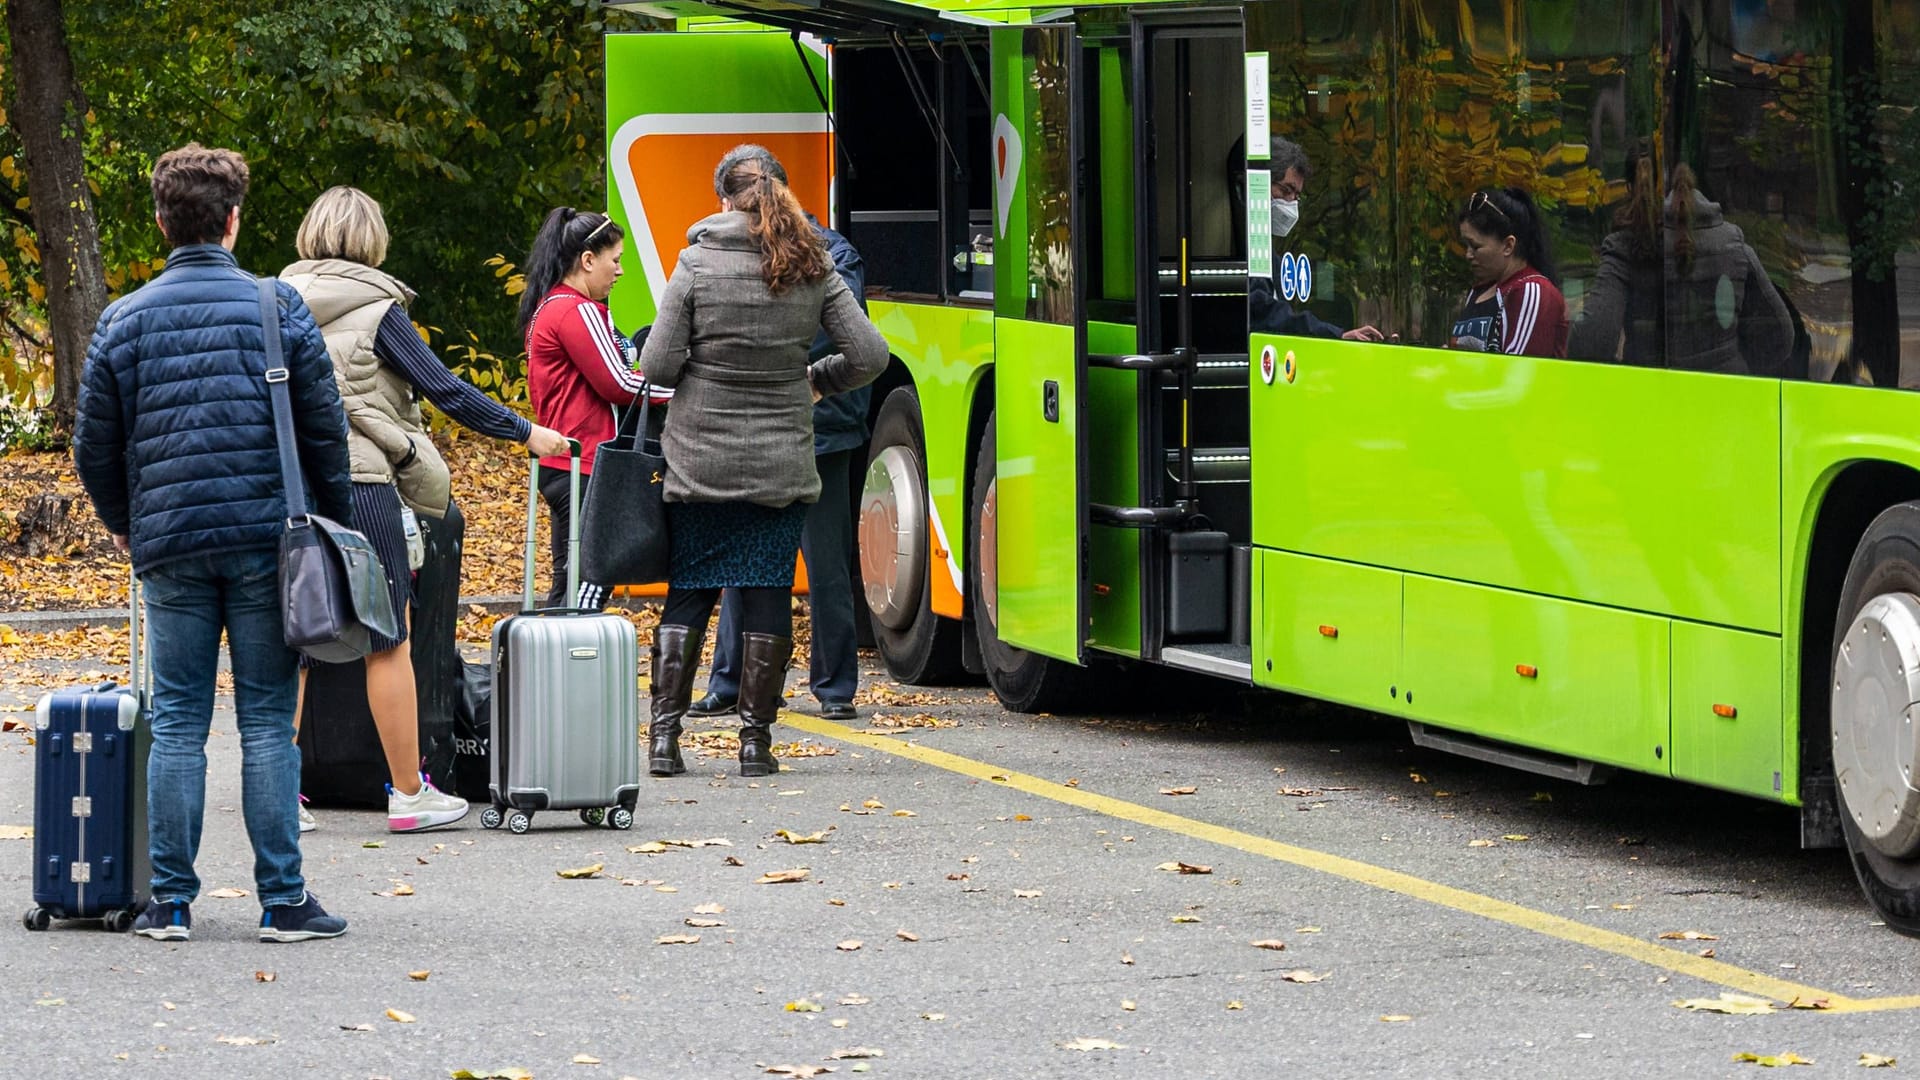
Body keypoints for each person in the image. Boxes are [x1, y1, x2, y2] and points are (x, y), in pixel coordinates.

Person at [73, 143, 350, 942]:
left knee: (179, 718)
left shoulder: (123, 320)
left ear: (162, 221)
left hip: (170, 544)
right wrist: (333, 521)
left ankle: (168, 902)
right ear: (233, 219)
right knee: (267, 720)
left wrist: (127, 520)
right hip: (271, 542)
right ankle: (283, 901)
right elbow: (323, 430)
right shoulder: (277, 307)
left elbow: (94, 445)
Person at [281, 186, 571, 834]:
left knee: (294, 638)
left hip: (287, 484)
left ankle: (279, 797)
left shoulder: (273, 303)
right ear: (371, 241)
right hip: (361, 480)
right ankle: (410, 793)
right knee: (387, 637)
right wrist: (525, 431)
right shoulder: (378, 308)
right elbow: (443, 388)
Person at [639, 146, 888, 778]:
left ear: (722, 199)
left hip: (699, 461)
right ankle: (756, 745)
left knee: (691, 589)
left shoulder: (695, 264)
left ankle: (665, 741)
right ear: (779, 191)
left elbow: (659, 366)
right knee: (767, 589)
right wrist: (814, 380)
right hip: (780, 458)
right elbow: (869, 355)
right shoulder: (812, 264)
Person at [689, 145, 870, 726]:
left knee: (821, 565)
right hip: (788, 424)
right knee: (756, 559)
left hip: (817, 427)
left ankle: (832, 685)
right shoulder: (796, 250)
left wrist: (790, 378)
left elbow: (839, 336)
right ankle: (735, 681)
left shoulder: (831, 253)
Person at [520, 207, 647, 609]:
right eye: (616, 259)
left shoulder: (554, 305)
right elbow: (621, 383)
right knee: (589, 582)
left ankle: (549, 667)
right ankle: (567, 664)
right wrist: (685, 390)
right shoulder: (576, 309)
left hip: (568, 463)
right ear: (588, 260)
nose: (620, 270)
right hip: (585, 463)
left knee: (572, 580)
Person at [1571, 160, 1792, 375]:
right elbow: (1780, 338)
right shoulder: (1734, 245)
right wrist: (1737, 364)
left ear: (1630, 188)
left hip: (1649, 398)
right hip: (1727, 399)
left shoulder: (1624, 248)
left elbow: (1591, 343)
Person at [1237, 136, 1387, 342]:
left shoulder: (1267, 250)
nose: (1291, 203)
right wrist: (1334, 334)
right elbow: (1262, 312)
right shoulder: (1245, 244)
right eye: (1285, 190)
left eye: (1297, 196)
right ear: (1258, 185)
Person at [1449, 187, 1568, 358]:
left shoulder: (1532, 291)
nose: (1468, 255)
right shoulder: (1478, 292)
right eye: (1465, 246)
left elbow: (1517, 371)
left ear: (1508, 246)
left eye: (1475, 246)